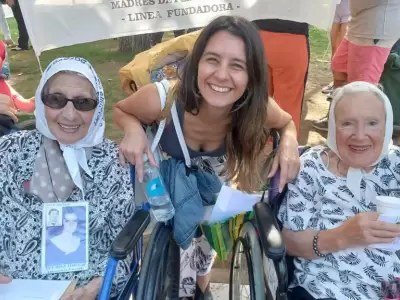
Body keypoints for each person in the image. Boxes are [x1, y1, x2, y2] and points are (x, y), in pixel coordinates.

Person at [114, 15, 300, 298]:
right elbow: (121, 110)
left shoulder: (257, 107)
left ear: (251, 77)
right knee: (180, 256)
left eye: (237, 65)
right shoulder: (161, 99)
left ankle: (204, 290)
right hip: (168, 185)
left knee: (206, 246)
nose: (222, 75)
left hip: (217, 187)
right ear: (196, 63)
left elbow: (286, 123)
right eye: (212, 60)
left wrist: (288, 143)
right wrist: (132, 129)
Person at [0, 57, 135, 299]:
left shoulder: (114, 162)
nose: (70, 114)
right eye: (56, 100)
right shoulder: (8, 152)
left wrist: (95, 288)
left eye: (83, 103)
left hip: (83, 288)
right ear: (42, 101)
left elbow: (124, 247)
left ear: (98, 105)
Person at [279, 81, 400, 300]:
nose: (360, 135)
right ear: (334, 126)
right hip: (326, 288)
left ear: (387, 125)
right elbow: (289, 242)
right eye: (347, 123)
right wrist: (343, 235)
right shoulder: (313, 167)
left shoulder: (397, 165)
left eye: (372, 123)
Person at [312, 0, 400, 131]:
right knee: (339, 68)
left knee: (362, 90)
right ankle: (339, 121)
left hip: (375, 29)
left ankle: (358, 136)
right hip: (358, 25)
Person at [253, 18, 310, 136]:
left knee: (256, 101)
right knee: (289, 106)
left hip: (257, 36)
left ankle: (252, 147)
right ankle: (285, 149)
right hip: (293, 38)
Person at [321, 0, 350, 95]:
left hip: (350, 9)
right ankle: (335, 83)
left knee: (343, 50)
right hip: (335, 8)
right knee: (335, 48)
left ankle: (343, 85)